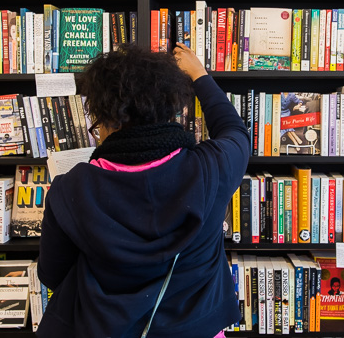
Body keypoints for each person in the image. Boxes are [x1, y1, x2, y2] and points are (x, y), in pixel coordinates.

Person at [36, 42, 251, 338]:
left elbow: (52, 274)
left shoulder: (71, 188)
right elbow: (234, 131)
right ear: (170, 107)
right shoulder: (211, 169)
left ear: (105, 116)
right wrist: (199, 74)